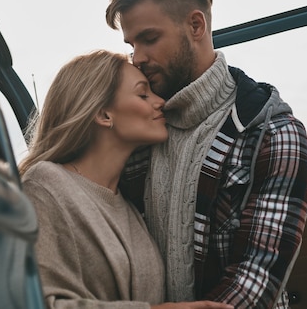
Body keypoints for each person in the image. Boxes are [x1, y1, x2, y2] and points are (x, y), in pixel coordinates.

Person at [105, 0, 307, 309]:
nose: (137, 58)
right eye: (131, 44)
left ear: (196, 25)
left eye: (150, 39)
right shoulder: (138, 129)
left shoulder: (273, 134)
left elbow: (253, 286)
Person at [19, 50, 233, 309]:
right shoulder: (45, 185)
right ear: (104, 115)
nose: (161, 102)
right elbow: (32, 302)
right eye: (143, 94)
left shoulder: (131, 208)